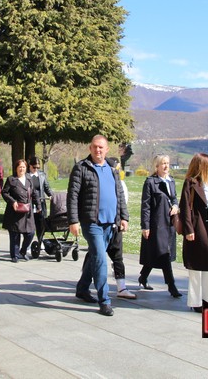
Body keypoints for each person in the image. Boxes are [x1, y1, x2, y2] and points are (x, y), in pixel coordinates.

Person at [68, 135, 129, 317]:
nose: (98, 150)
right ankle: (105, 301)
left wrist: (124, 217)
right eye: (95, 147)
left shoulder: (112, 169)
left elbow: (119, 194)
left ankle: (82, 288)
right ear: (90, 148)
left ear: (107, 149)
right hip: (91, 222)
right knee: (101, 259)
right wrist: (73, 221)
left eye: (101, 147)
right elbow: (73, 195)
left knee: (95, 256)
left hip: (110, 223)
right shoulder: (81, 168)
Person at [181, 153, 208, 313]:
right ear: (201, 165)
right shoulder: (191, 182)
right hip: (197, 229)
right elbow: (185, 207)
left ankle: (207, 299)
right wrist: (188, 229)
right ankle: (195, 301)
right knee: (196, 267)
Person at [138, 154, 181, 298]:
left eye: (168, 163)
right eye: (163, 163)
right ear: (157, 166)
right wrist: (145, 226)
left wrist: (175, 206)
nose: (166, 166)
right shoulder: (150, 182)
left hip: (169, 224)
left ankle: (143, 277)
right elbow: (145, 206)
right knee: (164, 254)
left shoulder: (171, 181)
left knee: (156, 253)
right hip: (157, 224)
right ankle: (171, 285)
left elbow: (174, 198)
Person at [1, 159, 35, 262]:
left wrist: (38, 206)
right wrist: (12, 201)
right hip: (15, 211)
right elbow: (4, 192)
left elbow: (34, 193)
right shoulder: (11, 179)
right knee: (15, 234)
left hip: (27, 211)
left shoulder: (29, 178)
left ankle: (23, 251)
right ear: (16, 168)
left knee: (30, 233)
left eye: (23, 167)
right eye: (20, 167)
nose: (22, 169)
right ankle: (14, 255)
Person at [28, 156, 52, 253]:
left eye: (37, 167)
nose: (36, 169)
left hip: (40, 203)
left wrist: (51, 195)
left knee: (41, 224)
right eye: (34, 167)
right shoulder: (26, 176)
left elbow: (46, 187)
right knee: (30, 224)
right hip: (30, 203)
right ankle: (28, 244)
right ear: (30, 166)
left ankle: (40, 241)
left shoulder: (41, 175)